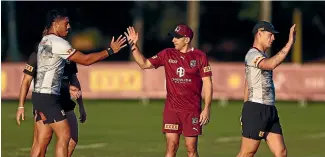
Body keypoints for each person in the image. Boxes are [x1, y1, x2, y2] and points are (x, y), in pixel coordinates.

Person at [19, 10, 127, 157]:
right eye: (66, 23)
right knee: (65, 136)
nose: (69, 26)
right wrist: (110, 50)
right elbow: (86, 60)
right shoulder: (58, 43)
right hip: (48, 98)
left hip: (41, 96)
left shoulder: (43, 42)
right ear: (55, 24)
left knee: (41, 141)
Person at [124, 24, 213, 157]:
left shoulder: (200, 56)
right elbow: (144, 64)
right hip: (172, 110)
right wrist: (134, 46)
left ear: (187, 39)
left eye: (177, 37)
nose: (173, 40)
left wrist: (206, 108)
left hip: (192, 110)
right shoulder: (167, 53)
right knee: (171, 147)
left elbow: (207, 83)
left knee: (191, 149)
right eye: (173, 37)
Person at [237, 21, 296, 157]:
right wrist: (289, 43)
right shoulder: (252, 54)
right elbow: (270, 65)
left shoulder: (262, 55)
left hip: (269, 109)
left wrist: (244, 108)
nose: (273, 38)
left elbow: (248, 84)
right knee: (247, 153)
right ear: (259, 34)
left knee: (281, 152)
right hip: (257, 109)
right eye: (270, 35)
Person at [16, 51, 85, 157]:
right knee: (42, 142)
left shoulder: (70, 55)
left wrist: (81, 105)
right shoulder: (39, 56)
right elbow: (29, 81)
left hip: (65, 103)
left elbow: (74, 79)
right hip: (48, 103)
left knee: (72, 140)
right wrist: (21, 106)